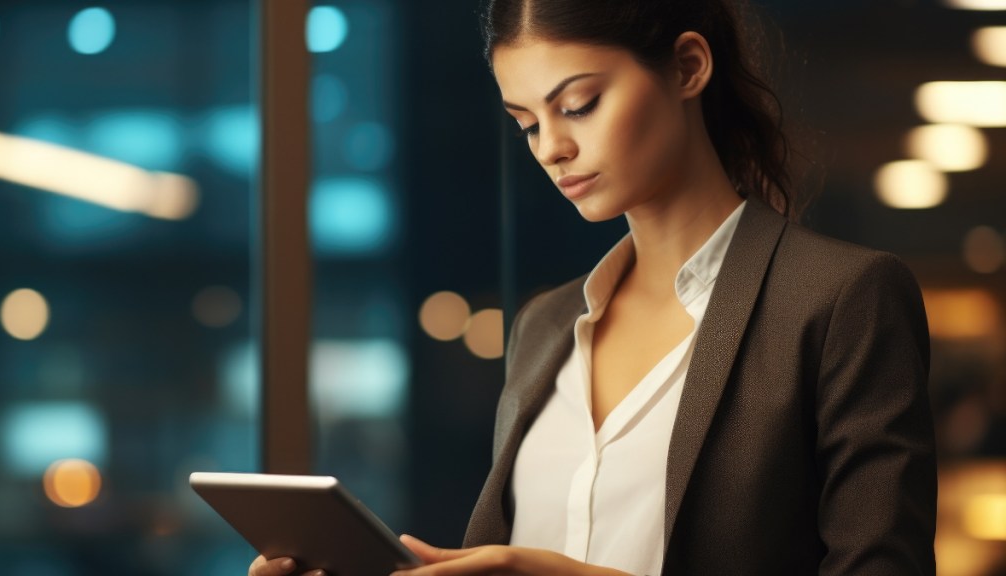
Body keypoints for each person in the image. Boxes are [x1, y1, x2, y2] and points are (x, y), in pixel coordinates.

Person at [251, 0, 937, 574]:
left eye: (578, 104)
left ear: (688, 67)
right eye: (526, 124)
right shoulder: (546, 326)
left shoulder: (841, 299)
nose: (550, 146)